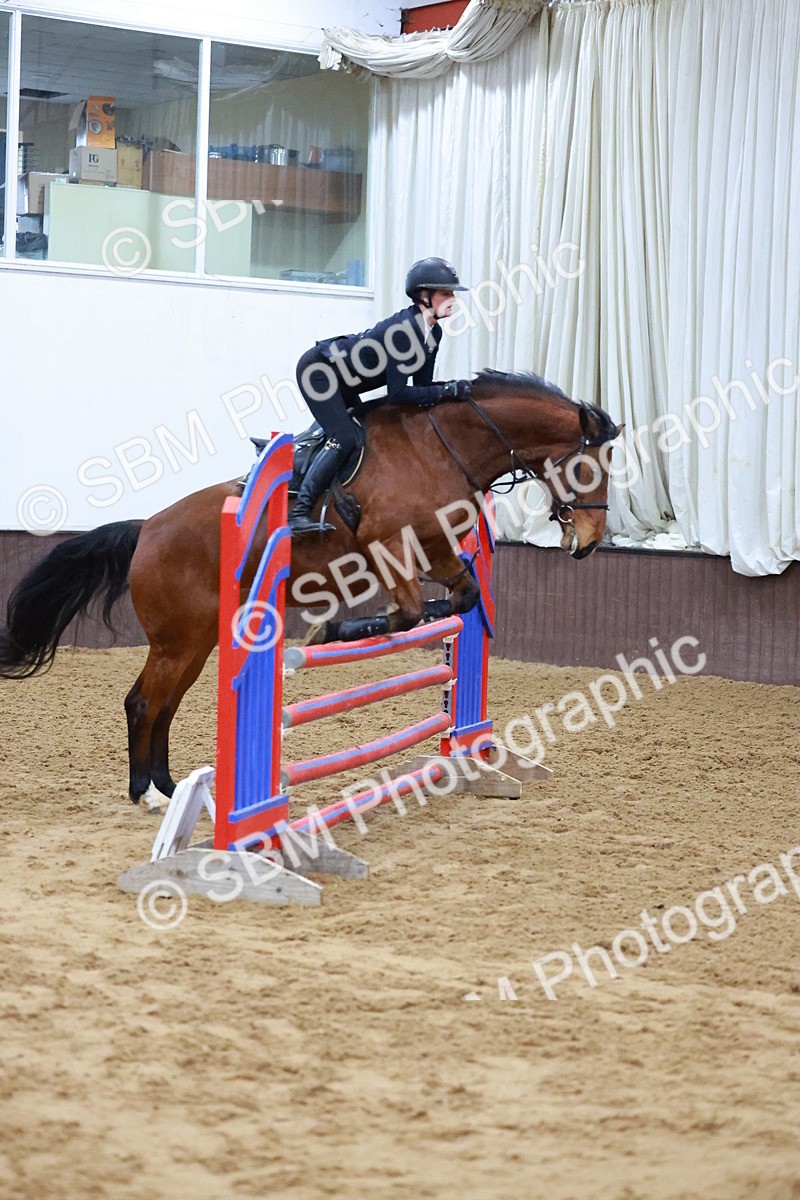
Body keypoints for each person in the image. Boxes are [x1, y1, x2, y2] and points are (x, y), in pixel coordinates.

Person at [289, 256, 473, 536]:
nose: (453, 300)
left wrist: (452, 391)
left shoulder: (433, 333)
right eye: (446, 293)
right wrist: (448, 390)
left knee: (366, 434)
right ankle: (299, 511)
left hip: (344, 381)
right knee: (346, 437)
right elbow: (398, 394)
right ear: (424, 296)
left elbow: (424, 388)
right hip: (319, 372)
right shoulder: (405, 332)